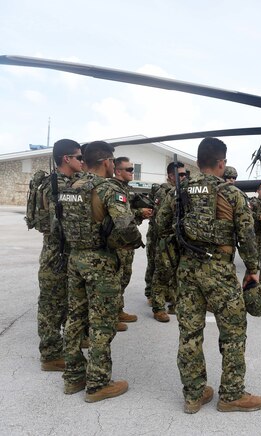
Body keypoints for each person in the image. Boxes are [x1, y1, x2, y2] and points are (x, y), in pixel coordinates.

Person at [175, 137, 261, 414]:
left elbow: (163, 230)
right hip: (220, 271)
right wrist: (253, 270)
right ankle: (232, 394)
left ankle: (193, 394)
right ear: (221, 163)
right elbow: (247, 237)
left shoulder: (179, 191)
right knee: (233, 332)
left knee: (189, 332)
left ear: (198, 161)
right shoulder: (232, 194)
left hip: (187, 270)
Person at [60, 141, 143, 402]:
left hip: (74, 259)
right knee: (102, 321)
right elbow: (125, 223)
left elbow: (56, 223)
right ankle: (97, 383)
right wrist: (132, 242)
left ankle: (74, 377)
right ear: (107, 161)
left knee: (75, 317)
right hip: (99, 261)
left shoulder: (70, 187)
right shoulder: (107, 188)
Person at [34, 139, 84, 371]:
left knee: (64, 301)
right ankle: (51, 355)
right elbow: (65, 224)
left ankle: (67, 342)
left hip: (60, 252)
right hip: (56, 255)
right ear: (67, 159)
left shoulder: (60, 182)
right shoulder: (59, 186)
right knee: (52, 305)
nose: (83, 162)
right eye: (80, 158)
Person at [112, 157, 152, 329]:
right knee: (116, 279)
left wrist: (140, 212)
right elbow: (119, 217)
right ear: (118, 171)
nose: (132, 172)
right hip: (119, 241)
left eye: (132, 169)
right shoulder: (113, 189)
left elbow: (127, 211)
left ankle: (118, 310)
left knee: (124, 277)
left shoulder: (126, 189)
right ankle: (111, 316)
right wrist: (139, 213)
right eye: (128, 169)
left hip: (127, 242)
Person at [150, 162, 188, 322]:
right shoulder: (170, 192)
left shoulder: (185, 191)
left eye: (185, 174)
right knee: (162, 273)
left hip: (182, 240)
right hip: (168, 238)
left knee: (179, 273)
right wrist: (166, 237)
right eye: (180, 175)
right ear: (171, 176)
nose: (184, 177)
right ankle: (158, 308)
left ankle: (174, 304)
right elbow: (160, 219)